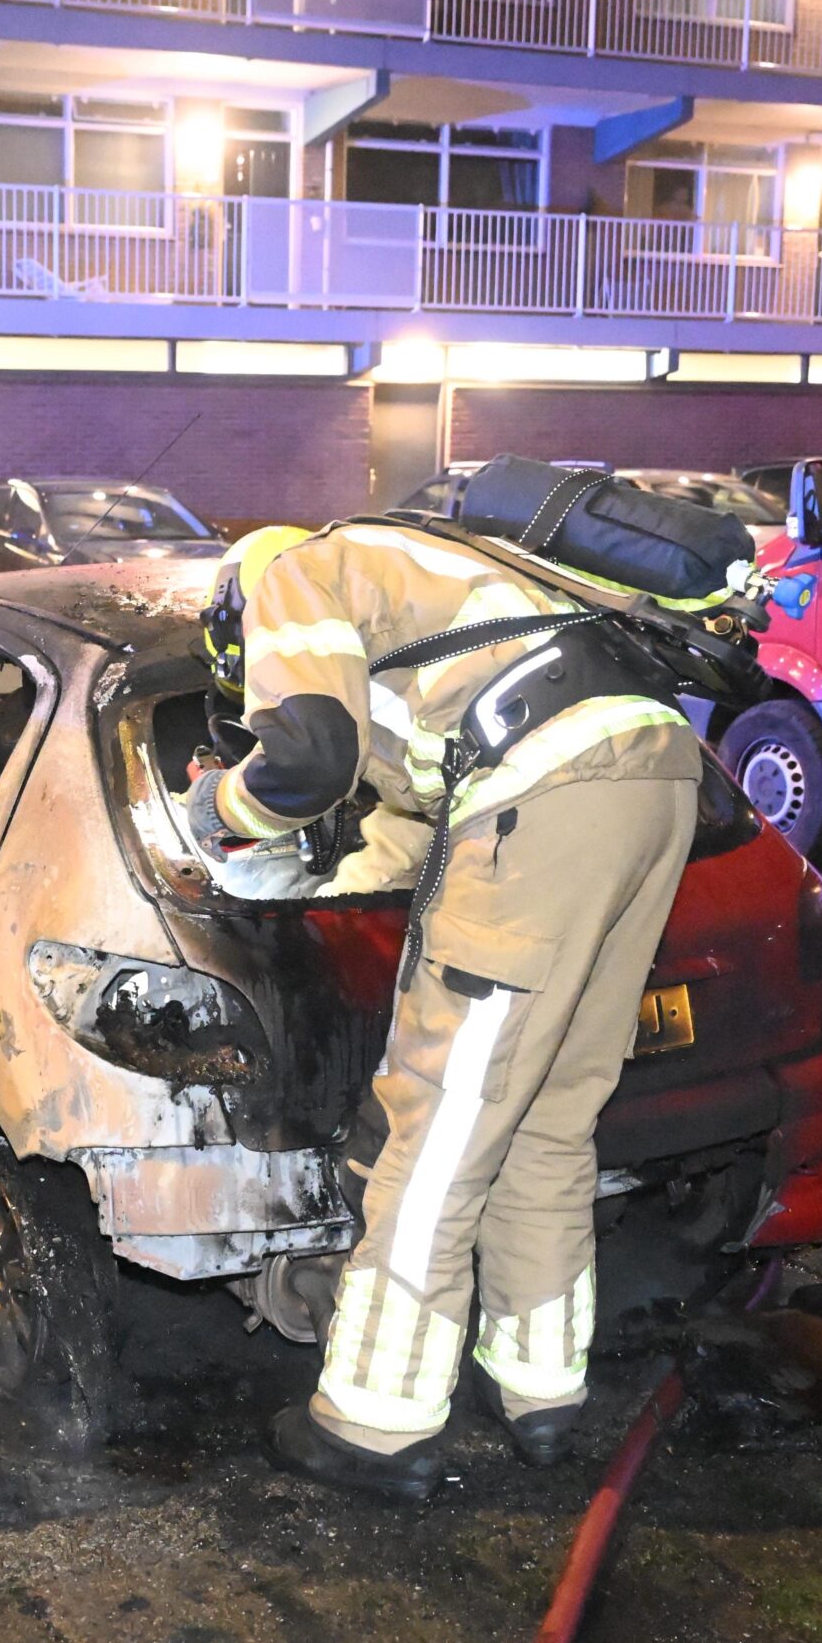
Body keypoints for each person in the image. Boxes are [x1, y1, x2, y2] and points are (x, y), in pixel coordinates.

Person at [183, 517, 702, 1499]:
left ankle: (376, 1423)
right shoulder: (416, 577)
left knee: (437, 1132)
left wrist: (215, 808)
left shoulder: (288, 575)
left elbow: (309, 760)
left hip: (548, 797)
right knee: (549, 1116)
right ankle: (541, 1392)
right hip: (659, 781)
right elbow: (419, 812)